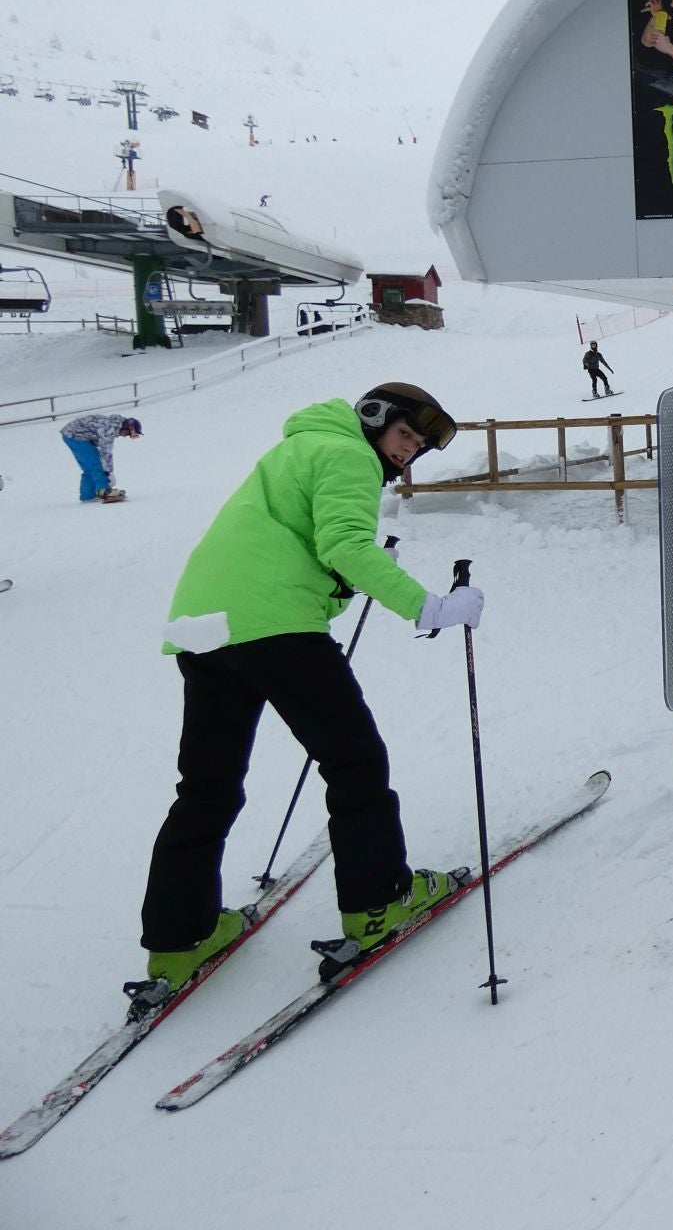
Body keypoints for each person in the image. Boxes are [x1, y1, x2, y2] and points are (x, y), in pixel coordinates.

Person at [138, 383, 486, 994]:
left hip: (204, 627)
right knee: (354, 763)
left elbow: (290, 543)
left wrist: (339, 583)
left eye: (421, 446)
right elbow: (343, 545)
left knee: (206, 788)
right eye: (406, 435)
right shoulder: (349, 454)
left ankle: (177, 938)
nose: (410, 452)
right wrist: (428, 607)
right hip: (276, 629)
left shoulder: (298, 449)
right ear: (375, 419)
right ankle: (378, 903)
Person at [61, 414, 141, 503]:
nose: (126, 436)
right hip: (76, 436)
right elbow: (106, 453)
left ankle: (88, 496)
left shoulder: (114, 425)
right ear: (126, 428)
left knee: (90, 468)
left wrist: (107, 470)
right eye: (130, 434)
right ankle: (104, 492)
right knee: (97, 465)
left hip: (73, 435)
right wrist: (108, 471)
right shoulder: (109, 429)